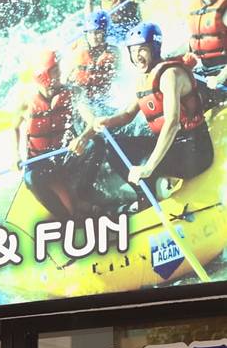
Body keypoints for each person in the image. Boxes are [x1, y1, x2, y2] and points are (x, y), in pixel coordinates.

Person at [74, 24, 212, 201]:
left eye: (142, 50)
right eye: (132, 51)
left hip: (194, 151)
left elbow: (172, 122)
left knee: (144, 163)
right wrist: (107, 120)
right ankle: (145, 195)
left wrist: (149, 166)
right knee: (114, 149)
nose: (137, 56)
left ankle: (150, 194)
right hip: (172, 147)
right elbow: (127, 115)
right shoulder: (144, 79)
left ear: (154, 49)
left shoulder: (170, 75)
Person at [15, 49, 81, 221]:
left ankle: (82, 196)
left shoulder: (70, 93)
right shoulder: (26, 100)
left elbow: (85, 116)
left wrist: (83, 137)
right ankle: (67, 219)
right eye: (55, 70)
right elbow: (13, 127)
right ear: (43, 75)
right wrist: (14, 156)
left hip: (63, 156)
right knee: (32, 179)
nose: (60, 73)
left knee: (96, 144)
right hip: (39, 163)